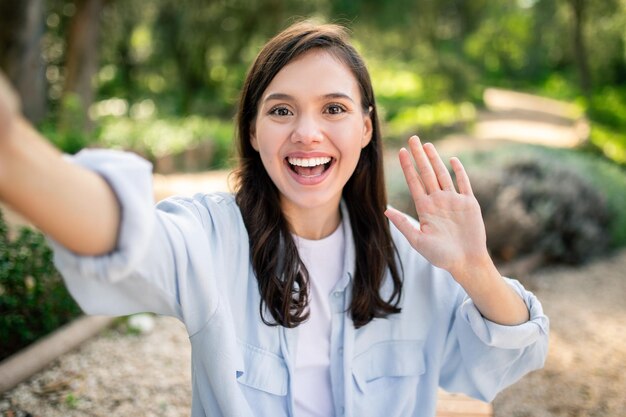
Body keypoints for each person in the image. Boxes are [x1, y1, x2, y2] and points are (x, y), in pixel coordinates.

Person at [0, 21, 548, 417]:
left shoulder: (413, 254)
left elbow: (499, 363)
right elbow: (120, 233)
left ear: (364, 127)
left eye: (333, 108)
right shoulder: (211, 236)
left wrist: (475, 268)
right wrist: (11, 149)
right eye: (281, 110)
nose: (307, 132)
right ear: (254, 132)